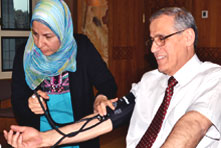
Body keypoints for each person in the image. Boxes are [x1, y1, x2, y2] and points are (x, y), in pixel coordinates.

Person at [4, 6, 221, 148]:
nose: (154, 48)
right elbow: (109, 117)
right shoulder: (149, 80)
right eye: (151, 40)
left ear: (188, 37)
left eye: (161, 39)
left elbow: (192, 126)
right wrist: (44, 138)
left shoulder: (214, 78)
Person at [9, 0, 117, 148]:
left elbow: (108, 84)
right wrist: (29, 105)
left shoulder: (82, 49)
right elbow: (18, 101)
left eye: (48, 36)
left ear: (63, 31)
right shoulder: (25, 54)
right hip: (39, 139)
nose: (39, 43)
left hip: (80, 137)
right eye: (35, 34)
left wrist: (101, 97)